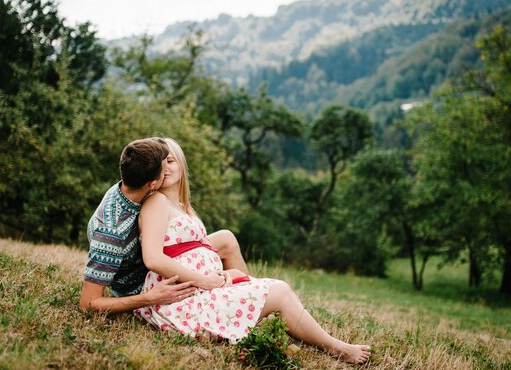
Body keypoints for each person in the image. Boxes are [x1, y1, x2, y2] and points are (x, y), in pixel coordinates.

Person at [135, 138, 372, 364]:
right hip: (184, 302)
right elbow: (153, 257)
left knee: (251, 267)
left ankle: (255, 306)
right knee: (279, 290)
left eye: (171, 161)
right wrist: (204, 280)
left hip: (200, 290)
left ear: (182, 165)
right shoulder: (157, 202)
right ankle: (336, 348)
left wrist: (224, 275)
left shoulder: (181, 206)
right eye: (160, 163)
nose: (165, 167)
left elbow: (194, 249)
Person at [79, 137, 249, 313]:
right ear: (152, 184)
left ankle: (247, 292)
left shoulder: (130, 181)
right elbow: (88, 304)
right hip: (144, 282)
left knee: (226, 239)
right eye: (163, 166)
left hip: (156, 255)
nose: (166, 169)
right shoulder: (110, 233)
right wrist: (148, 298)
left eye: (171, 161)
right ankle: (242, 300)